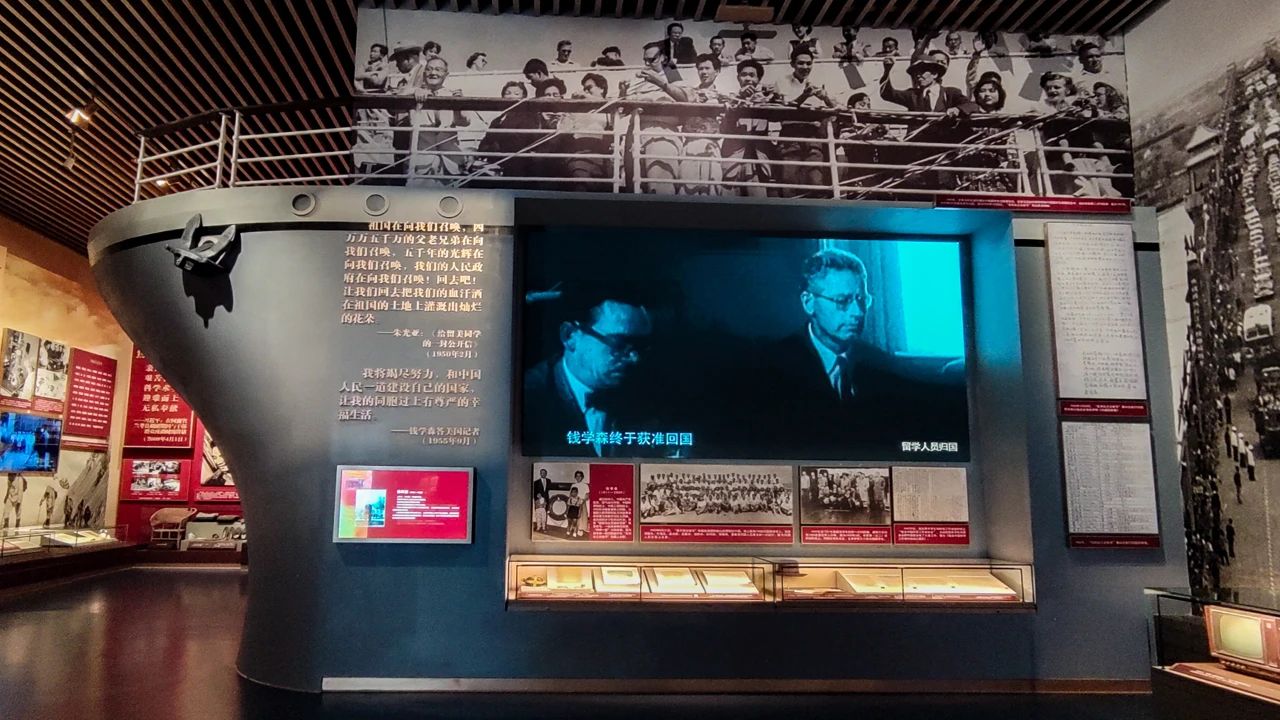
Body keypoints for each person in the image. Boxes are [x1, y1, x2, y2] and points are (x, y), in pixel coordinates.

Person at [752, 248, 968, 456]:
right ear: (809, 302)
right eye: (842, 301)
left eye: (862, 300)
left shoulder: (881, 365)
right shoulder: (770, 369)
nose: (857, 312)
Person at [522, 288, 659, 457]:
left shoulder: (651, 396)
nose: (635, 358)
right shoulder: (526, 400)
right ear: (570, 336)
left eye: (641, 346)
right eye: (620, 343)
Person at [620, 42, 689, 194]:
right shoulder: (638, 78)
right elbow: (623, 110)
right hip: (635, 133)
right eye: (645, 60)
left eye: (652, 60)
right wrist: (623, 92)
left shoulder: (672, 73)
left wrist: (659, 81)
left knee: (660, 186)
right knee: (634, 186)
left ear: (663, 57)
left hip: (661, 132)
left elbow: (685, 98)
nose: (647, 64)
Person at [775, 46, 836, 196]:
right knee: (789, 180)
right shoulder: (782, 81)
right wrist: (805, 95)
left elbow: (835, 107)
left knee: (816, 180)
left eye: (809, 63)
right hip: (791, 135)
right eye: (801, 63)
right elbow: (786, 108)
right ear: (792, 64)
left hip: (813, 135)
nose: (805, 67)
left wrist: (825, 98)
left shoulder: (818, 81)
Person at [721, 59, 782, 198]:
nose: (748, 78)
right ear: (738, 78)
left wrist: (775, 96)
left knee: (757, 204)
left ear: (759, 79)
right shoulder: (730, 98)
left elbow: (780, 117)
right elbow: (723, 128)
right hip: (732, 161)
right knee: (728, 204)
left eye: (752, 75)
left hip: (758, 163)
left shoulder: (766, 100)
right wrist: (738, 99)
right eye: (743, 75)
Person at [407, 56, 470, 186]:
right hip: (421, 164)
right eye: (429, 69)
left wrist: (458, 105)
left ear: (446, 74)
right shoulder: (414, 94)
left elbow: (465, 122)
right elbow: (395, 96)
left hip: (450, 163)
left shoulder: (453, 95)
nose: (433, 73)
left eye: (438, 69)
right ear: (424, 73)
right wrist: (414, 90)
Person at [476, 81, 542, 186]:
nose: (511, 96)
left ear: (523, 97)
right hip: (494, 163)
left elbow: (519, 142)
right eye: (507, 93)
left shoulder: (529, 116)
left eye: (516, 94)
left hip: (516, 165)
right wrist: (489, 149)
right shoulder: (497, 120)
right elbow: (484, 142)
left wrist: (494, 146)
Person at [678, 54, 727, 196]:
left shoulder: (723, 96)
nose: (703, 72)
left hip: (711, 145)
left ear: (717, 71)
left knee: (711, 189)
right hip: (690, 144)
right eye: (700, 69)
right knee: (687, 189)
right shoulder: (689, 93)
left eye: (707, 68)